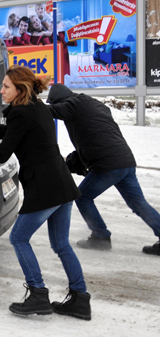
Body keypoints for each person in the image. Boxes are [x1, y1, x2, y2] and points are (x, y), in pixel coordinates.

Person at [0, 66, 91, 320]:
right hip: (61, 182)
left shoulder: (20, 113)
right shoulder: (36, 107)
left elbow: (2, 153)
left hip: (44, 187)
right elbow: (14, 134)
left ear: (20, 89)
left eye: (6, 86)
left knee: (18, 238)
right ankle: (80, 299)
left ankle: (38, 293)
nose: (1, 90)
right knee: (61, 244)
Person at [47, 83, 160, 256]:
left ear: (59, 101)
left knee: (82, 196)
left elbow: (49, 111)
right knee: (138, 203)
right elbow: (94, 133)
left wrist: (25, 106)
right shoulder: (92, 103)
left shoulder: (73, 104)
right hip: (125, 161)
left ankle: (100, 235)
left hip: (108, 165)